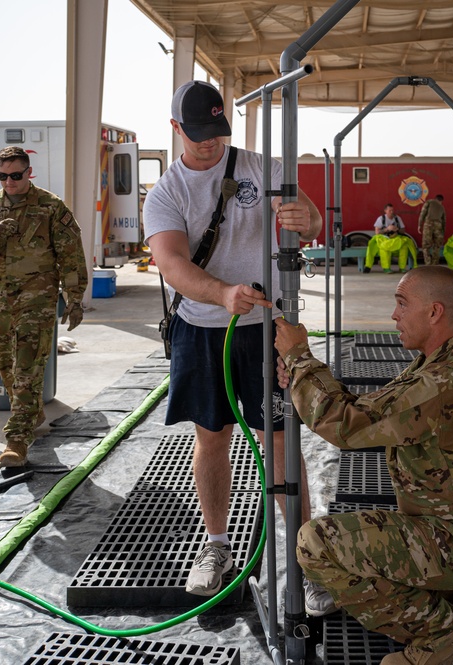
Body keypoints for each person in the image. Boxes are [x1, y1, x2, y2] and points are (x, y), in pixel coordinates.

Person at [274, 266, 453, 665]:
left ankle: (440, 633)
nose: (394, 315)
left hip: (452, 540)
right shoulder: (446, 364)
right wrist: (300, 376)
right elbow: (366, 408)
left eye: (401, 304)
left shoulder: (443, 381)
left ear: (434, 312)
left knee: (315, 543)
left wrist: (298, 356)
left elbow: (346, 425)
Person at [142, 80, 323, 598]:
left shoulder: (263, 167)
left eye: (216, 131)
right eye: (197, 133)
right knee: (212, 436)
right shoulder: (167, 192)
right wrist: (221, 294)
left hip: (266, 329)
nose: (209, 142)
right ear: (176, 128)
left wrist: (302, 218)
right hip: (202, 331)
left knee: (281, 441)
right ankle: (217, 545)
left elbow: (311, 221)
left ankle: (307, 559)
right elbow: (172, 263)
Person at [0, 146, 88, 468]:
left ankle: (17, 439)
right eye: (2, 176)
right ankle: (31, 412)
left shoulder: (51, 207)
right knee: (8, 368)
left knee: (28, 368)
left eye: (15, 175)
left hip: (37, 300)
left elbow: (70, 253)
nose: (9, 182)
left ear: (29, 173)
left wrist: (74, 297)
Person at [365, 204, 417, 273]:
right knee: (384, 247)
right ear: (385, 211)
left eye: (392, 210)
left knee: (404, 246)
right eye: (390, 210)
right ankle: (386, 268)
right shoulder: (381, 219)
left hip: (395, 239)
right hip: (384, 239)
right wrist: (387, 229)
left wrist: (397, 229)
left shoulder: (397, 218)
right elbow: (377, 232)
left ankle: (402, 267)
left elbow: (403, 230)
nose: (392, 212)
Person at [418, 194, 446, 266]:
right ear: (441, 201)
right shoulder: (442, 207)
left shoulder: (429, 202)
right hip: (438, 226)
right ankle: (434, 264)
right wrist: (443, 232)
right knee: (437, 246)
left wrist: (419, 224)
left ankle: (428, 263)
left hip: (428, 225)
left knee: (426, 246)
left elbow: (422, 213)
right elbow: (444, 221)